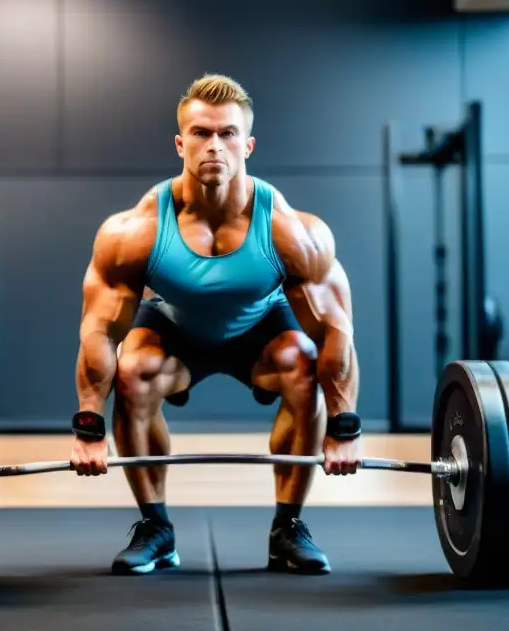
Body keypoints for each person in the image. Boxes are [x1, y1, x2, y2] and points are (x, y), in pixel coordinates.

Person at [70, 74, 362, 576]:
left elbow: (335, 330)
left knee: (302, 364)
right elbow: (99, 331)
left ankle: (287, 529)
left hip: (259, 329)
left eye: (227, 134)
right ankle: (155, 527)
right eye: (201, 133)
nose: (214, 145)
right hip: (176, 329)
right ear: (180, 143)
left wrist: (345, 426)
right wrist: (89, 424)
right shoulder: (133, 232)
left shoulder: (290, 232)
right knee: (134, 368)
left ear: (248, 145)